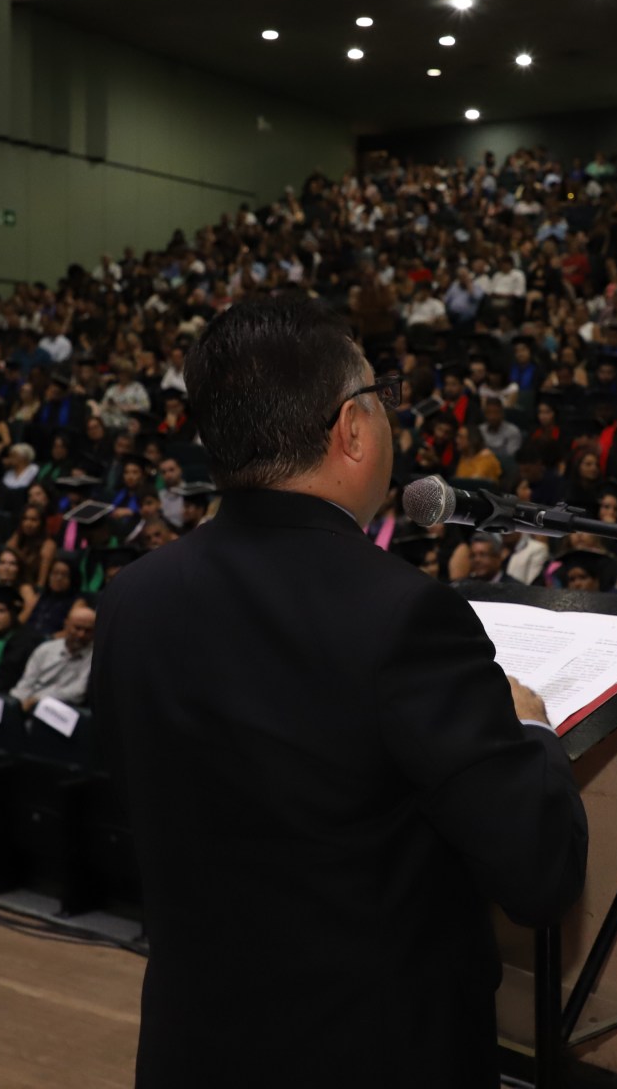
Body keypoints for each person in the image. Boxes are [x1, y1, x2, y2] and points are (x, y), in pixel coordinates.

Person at [91, 297, 586, 1087]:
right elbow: (538, 873)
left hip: (197, 1044)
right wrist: (530, 731)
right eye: (382, 398)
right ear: (351, 428)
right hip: (373, 1050)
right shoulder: (402, 613)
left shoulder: (134, 597)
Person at [11, 603, 96, 712]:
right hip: (27, 703)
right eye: (77, 628)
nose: (81, 635)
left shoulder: (95, 658)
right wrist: (16, 703)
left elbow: (78, 692)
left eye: (88, 630)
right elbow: (26, 682)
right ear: (66, 624)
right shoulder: (45, 649)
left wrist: (37, 700)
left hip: (61, 711)